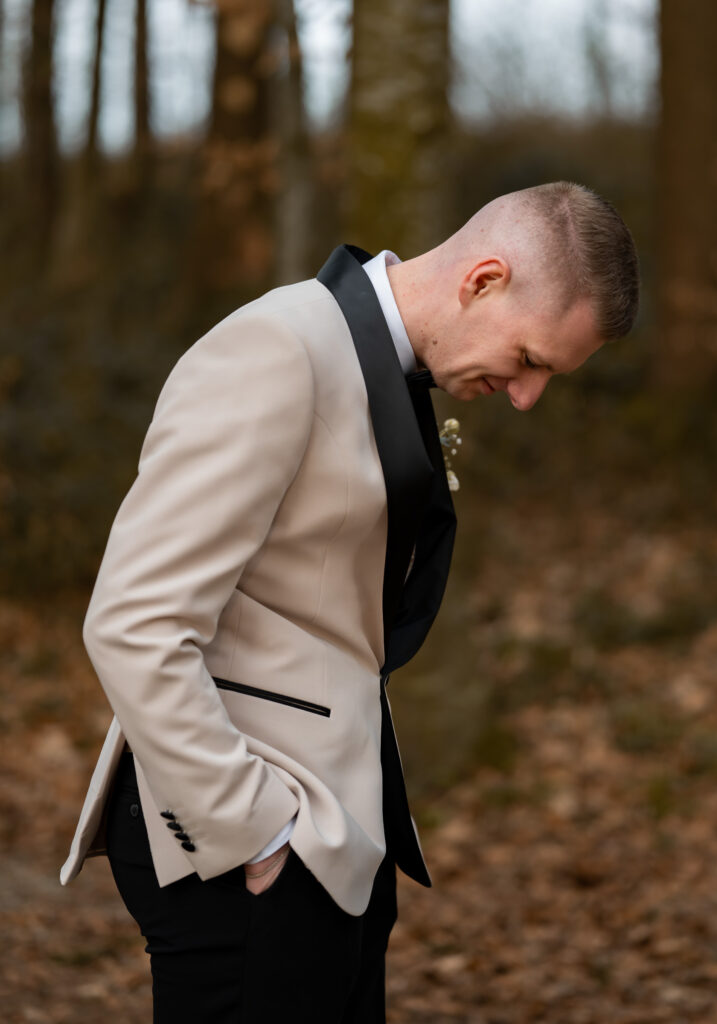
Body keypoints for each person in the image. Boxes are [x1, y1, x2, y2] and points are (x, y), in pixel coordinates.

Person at [61, 181, 639, 1022]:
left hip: (336, 834)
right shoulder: (276, 349)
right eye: (531, 359)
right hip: (247, 847)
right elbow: (133, 620)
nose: (526, 395)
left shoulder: (380, 362)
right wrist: (255, 832)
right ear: (483, 281)